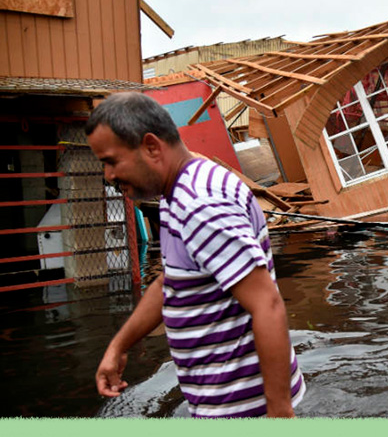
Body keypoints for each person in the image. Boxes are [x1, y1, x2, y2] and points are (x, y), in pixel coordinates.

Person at [88, 92, 305, 418]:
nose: (109, 175)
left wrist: (279, 414)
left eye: (111, 161)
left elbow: (267, 304)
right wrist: (118, 346)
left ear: (151, 147)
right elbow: (170, 284)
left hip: (245, 410)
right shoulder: (180, 190)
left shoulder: (199, 206)